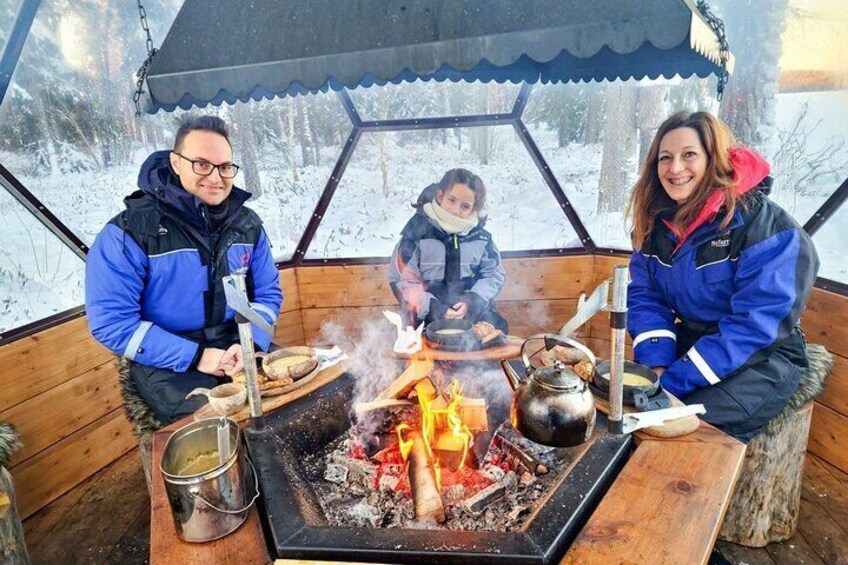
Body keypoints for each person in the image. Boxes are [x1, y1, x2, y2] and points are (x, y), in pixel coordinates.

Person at [627, 111, 819, 442]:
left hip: (761, 359)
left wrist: (675, 381)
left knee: (685, 435)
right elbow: (648, 297)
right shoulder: (656, 225)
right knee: (631, 412)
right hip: (694, 343)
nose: (675, 168)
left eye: (689, 155)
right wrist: (656, 366)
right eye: (665, 158)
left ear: (714, 159)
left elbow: (755, 325)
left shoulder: (765, 228)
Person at [85, 116, 282, 425]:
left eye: (225, 166)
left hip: (237, 343)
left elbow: (268, 294)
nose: (216, 178)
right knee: (219, 428)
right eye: (202, 165)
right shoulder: (131, 232)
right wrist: (198, 356)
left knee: (293, 405)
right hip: (167, 359)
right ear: (176, 162)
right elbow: (111, 322)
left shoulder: (248, 225)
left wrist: (250, 345)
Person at [388, 168, 508, 333]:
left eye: (465, 206)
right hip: (425, 314)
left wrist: (471, 301)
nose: (455, 211)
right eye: (451, 200)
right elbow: (402, 281)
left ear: (473, 209)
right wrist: (433, 308)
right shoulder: (416, 234)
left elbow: (493, 275)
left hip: (469, 313)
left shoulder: (481, 238)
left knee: (498, 330)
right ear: (440, 195)